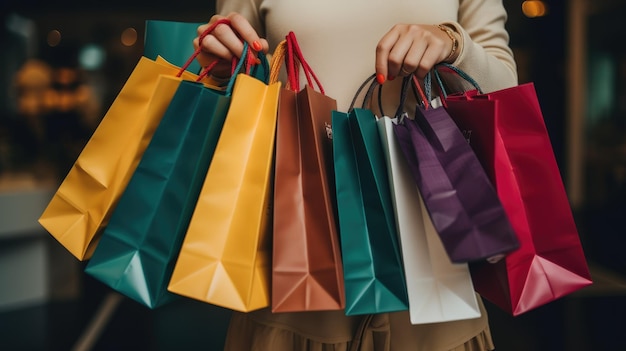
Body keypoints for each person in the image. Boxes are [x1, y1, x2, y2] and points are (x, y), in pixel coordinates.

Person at [194, 1, 518, 350]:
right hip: (294, 268)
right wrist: (221, 64)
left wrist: (453, 44)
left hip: (434, 274)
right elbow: (236, 84)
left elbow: (506, 98)